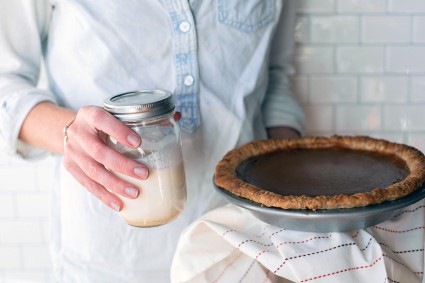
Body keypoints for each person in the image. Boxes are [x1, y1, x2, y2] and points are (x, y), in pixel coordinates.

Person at [0, 0, 304, 282]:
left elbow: (275, 77)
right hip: (110, 257)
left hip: (245, 247)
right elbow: (6, 87)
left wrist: (291, 205)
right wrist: (70, 132)